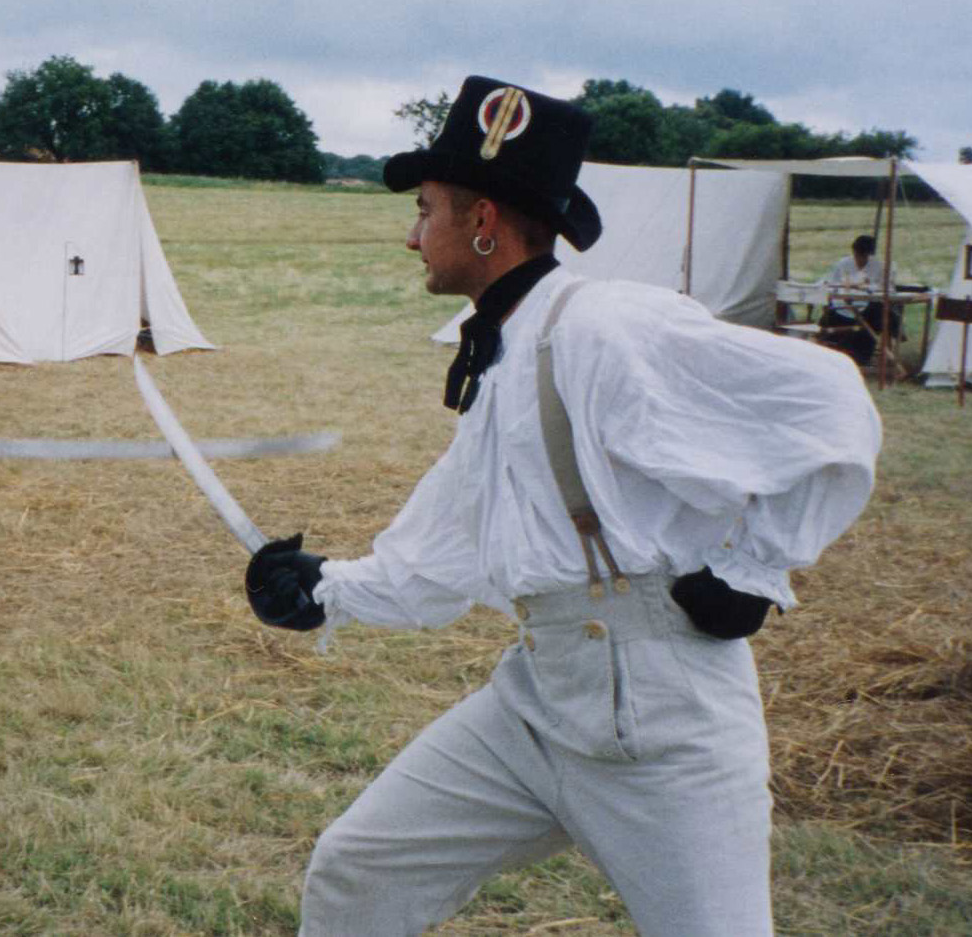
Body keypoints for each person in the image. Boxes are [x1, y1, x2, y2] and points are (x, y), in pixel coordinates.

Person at [243, 76, 881, 936]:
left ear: (483, 223)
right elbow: (449, 543)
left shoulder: (603, 326)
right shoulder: (506, 353)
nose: (410, 235)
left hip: (666, 722)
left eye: (425, 209)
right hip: (537, 702)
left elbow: (829, 402)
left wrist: (753, 566)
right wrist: (325, 587)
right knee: (361, 870)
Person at [818, 234, 902, 366]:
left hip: (867, 306)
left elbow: (888, 288)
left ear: (870, 255)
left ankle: (863, 356)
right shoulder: (843, 264)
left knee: (877, 316)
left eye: (864, 256)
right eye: (858, 255)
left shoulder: (880, 266)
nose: (861, 259)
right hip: (843, 306)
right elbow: (829, 283)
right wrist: (846, 286)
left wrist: (868, 287)